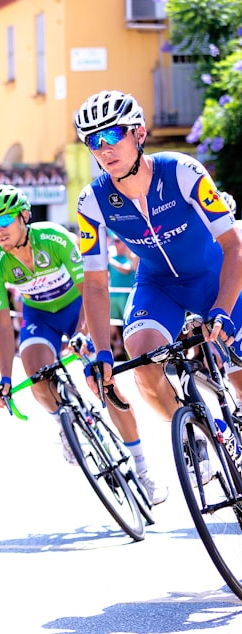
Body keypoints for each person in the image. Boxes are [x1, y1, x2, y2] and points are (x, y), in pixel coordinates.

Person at [0, 185, 163, 503]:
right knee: (35, 373)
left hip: (77, 307)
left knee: (106, 385)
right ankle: (64, 426)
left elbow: (89, 288)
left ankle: (143, 468)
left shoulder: (54, 238)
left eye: (5, 219)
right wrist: (5, 379)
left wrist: (84, 332)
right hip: (40, 316)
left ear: (24, 216)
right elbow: (2, 325)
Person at [74, 90, 242, 428]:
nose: (105, 147)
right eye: (93, 140)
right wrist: (102, 352)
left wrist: (223, 308)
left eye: (113, 134)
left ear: (139, 133)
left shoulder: (182, 170)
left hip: (213, 276)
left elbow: (234, 246)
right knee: (143, 364)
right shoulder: (91, 202)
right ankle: (200, 436)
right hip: (158, 285)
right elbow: (94, 284)